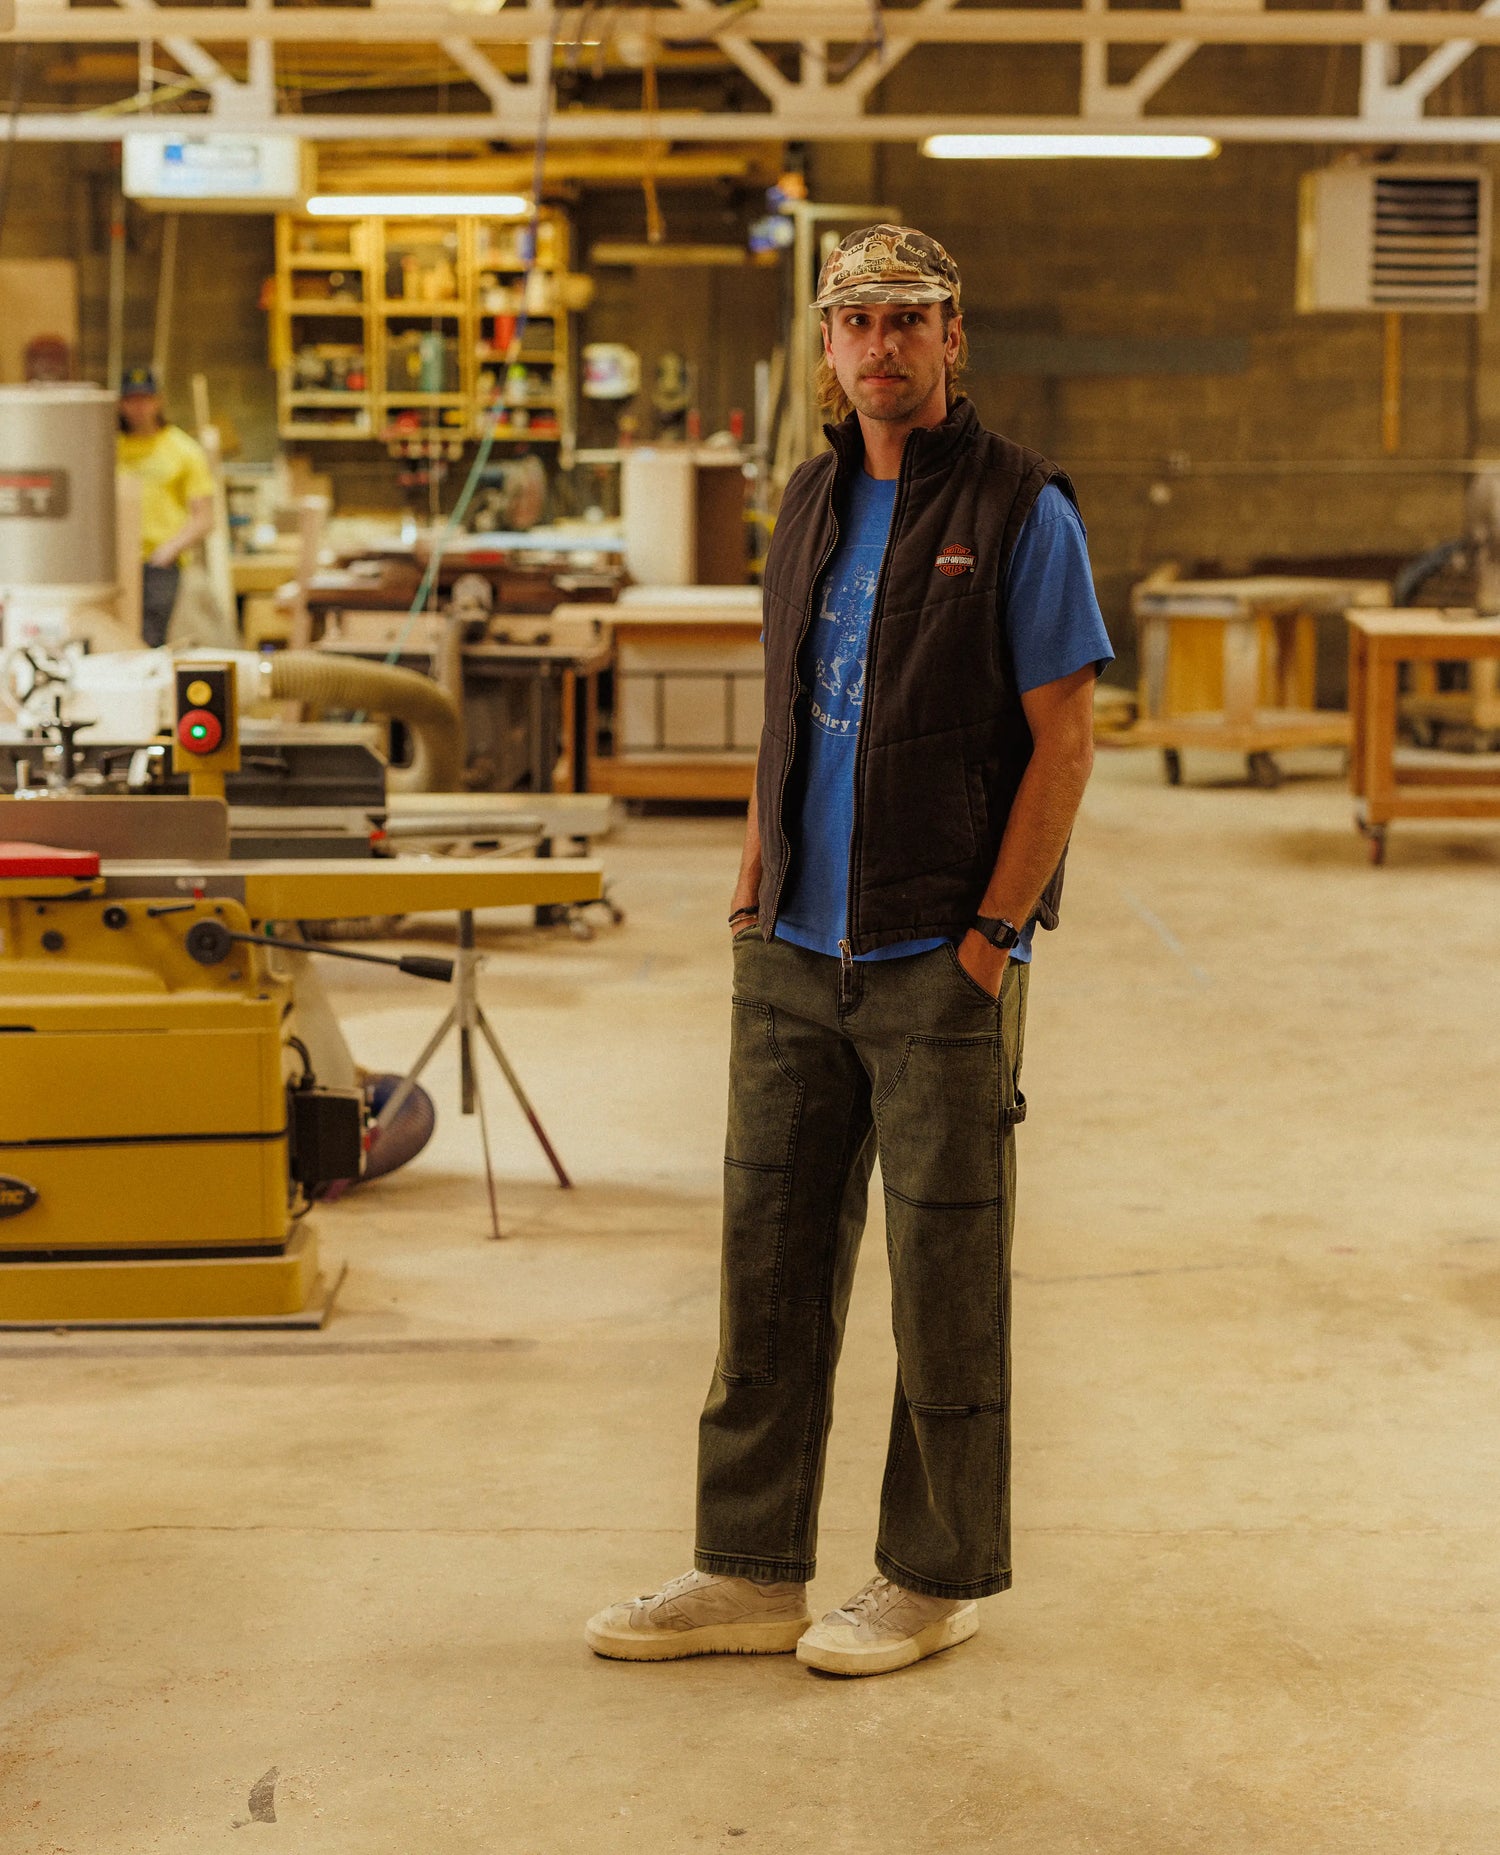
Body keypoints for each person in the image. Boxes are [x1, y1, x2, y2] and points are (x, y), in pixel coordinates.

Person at [586, 226, 1114, 1678]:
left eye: (909, 321)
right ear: (826, 350)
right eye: (856, 323)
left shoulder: (1020, 511)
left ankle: (927, 1576)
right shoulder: (810, 500)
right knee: (765, 1265)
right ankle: (747, 1567)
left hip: (934, 955)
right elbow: (787, 703)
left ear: (955, 336)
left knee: (945, 1278)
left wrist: (994, 934)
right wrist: (759, 868)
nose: (881, 347)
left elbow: (1065, 736)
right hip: (791, 955)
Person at [116, 366, 214, 649]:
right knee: (116, 638)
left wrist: (169, 550)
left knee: (151, 637)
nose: (139, 408)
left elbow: (204, 517)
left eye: (145, 399)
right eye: (131, 400)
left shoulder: (183, 450)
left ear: (158, 401)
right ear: (122, 405)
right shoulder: (110, 448)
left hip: (159, 562)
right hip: (119, 562)